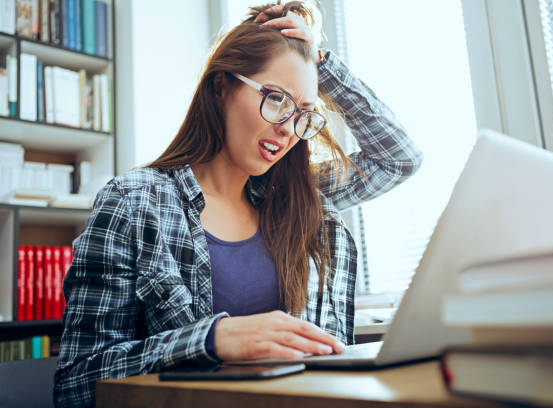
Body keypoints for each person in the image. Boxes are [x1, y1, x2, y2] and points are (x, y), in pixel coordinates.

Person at [53, 1, 423, 407]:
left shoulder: (297, 197)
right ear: (221, 86)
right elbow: (77, 384)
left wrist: (320, 62)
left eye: (303, 114)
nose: (287, 129)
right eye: (276, 98)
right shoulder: (136, 202)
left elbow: (399, 159)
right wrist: (211, 340)